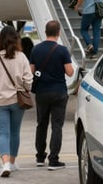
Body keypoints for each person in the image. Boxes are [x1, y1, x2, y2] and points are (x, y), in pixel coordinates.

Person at [0, 26, 33, 178]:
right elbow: (29, 80)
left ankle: (4, 163)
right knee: (15, 132)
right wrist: (24, 87)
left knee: (3, 133)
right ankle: (12, 162)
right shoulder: (22, 57)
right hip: (17, 101)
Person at [29, 20, 74, 170]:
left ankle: (40, 157)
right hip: (59, 92)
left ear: (46, 32)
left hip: (41, 92)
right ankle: (53, 160)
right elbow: (70, 72)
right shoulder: (62, 50)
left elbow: (31, 71)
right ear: (58, 33)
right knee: (57, 126)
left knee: (41, 124)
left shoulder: (36, 50)